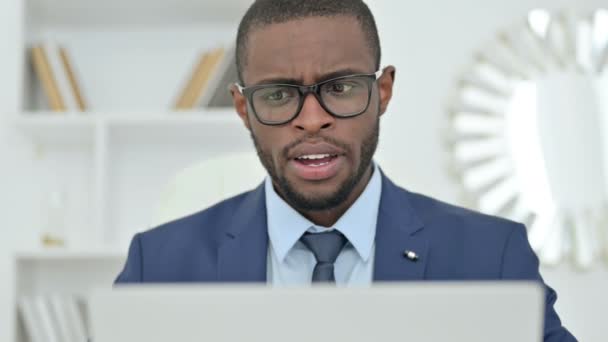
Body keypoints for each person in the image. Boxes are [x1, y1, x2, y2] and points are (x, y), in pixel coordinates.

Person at [115, 0, 576, 340]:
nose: (312, 119)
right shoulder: (156, 266)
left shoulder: (491, 257)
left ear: (384, 92)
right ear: (242, 107)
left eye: (340, 87)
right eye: (278, 94)